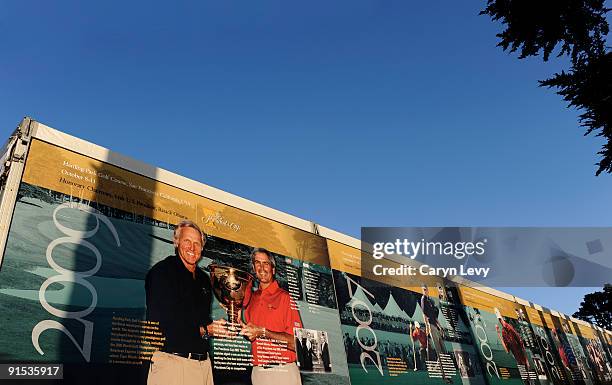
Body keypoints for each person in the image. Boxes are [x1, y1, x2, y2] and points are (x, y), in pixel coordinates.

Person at [145, 220, 226, 385]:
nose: (192, 248)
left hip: (203, 367)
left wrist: (224, 322)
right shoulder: (162, 273)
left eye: (197, 243)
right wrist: (205, 330)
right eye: (187, 241)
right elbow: (158, 331)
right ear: (176, 242)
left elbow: (199, 320)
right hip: (172, 365)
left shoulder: (204, 279)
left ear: (202, 248)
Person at [240, 248, 303, 385]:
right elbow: (252, 335)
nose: (262, 268)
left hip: (283, 373)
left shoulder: (285, 298)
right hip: (258, 374)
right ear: (253, 267)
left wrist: (263, 332)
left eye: (266, 263)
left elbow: (298, 344)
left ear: (273, 269)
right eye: (257, 263)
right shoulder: (252, 299)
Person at [420, 285, 452, 384]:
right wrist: (427, 326)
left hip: (436, 327)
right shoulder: (423, 299)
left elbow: (435, 316)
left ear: (428, 290)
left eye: (426, 289)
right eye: (424, 290)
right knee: (440, 352)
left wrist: (440, 327)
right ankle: (445, 377)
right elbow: (424, 314)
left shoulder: (430, 301)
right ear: (422, 290)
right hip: (431, 327)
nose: (425, 291)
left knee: (444, 352)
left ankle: (437, 368)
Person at [494, 308, 531, 385]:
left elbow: (521, 345)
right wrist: (498, 333)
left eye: (502, 320)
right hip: (519, 361)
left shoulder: (510, 328)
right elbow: (507, 350)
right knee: (526, 380)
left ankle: (520, 316)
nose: (501, 322)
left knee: (530, 379)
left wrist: (527, 360)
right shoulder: (503, 332)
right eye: (500, 320)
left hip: (523, 359)